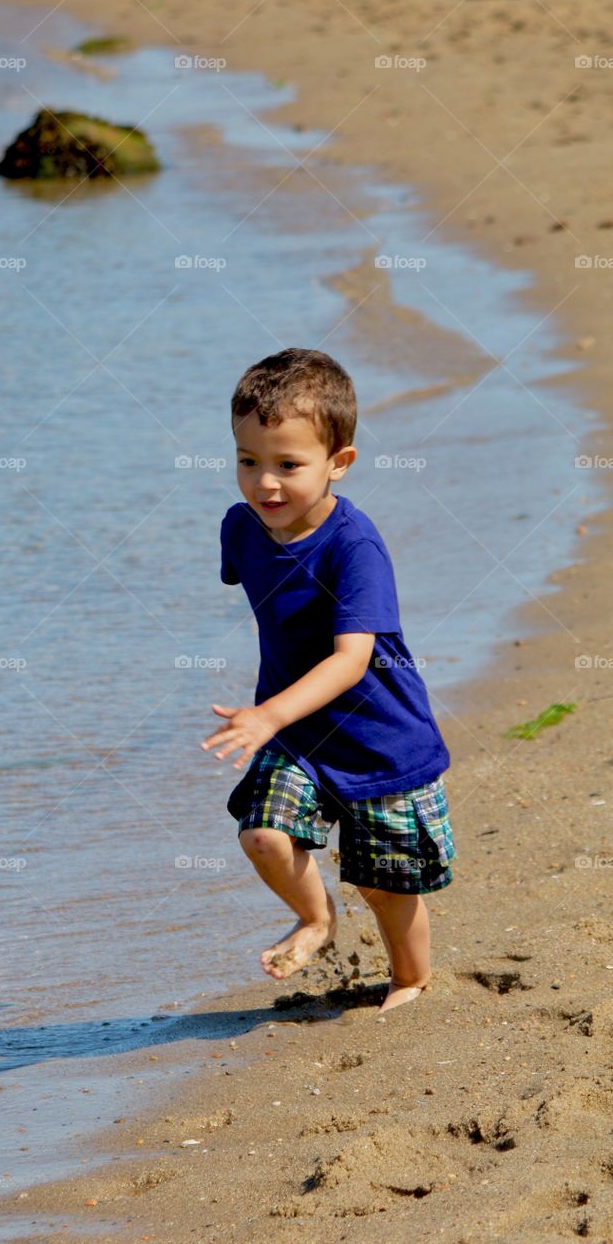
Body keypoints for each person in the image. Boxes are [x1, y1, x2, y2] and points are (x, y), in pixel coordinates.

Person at [201, 348, 455, 1013]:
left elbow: (351, 659)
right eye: (248, 461)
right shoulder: (242, 529)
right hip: (300, 737)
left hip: (380, 740)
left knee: (388, 886)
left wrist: (268, 715)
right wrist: (278, 718)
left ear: (339, 463)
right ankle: (315, 918)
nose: (265, 485)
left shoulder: (355, 547)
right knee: (261, 832)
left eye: (289, 464)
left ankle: (409, 981)